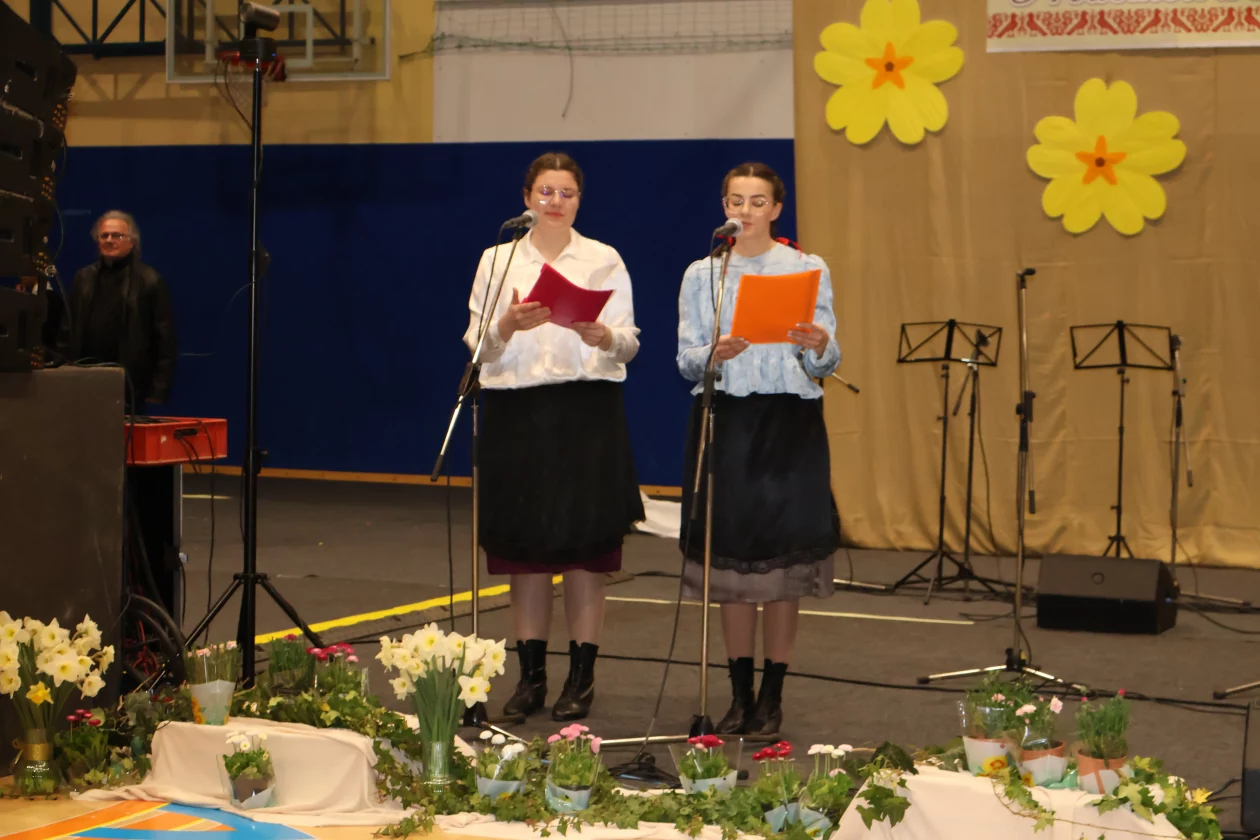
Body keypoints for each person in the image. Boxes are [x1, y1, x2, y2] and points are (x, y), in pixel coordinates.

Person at [463, 152, 644, 722]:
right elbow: (477, 345)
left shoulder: (603, 258)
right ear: (527, 198)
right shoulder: (497, 259)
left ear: (579, 200)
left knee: (587, 556)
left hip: (586, 415)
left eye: (567, 192)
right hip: (518, 415)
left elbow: (629, 342)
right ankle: (531, 679)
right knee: (526, 556)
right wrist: (507, 324)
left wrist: (603, 335)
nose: (556, 202)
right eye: (546, 191)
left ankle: (581, 680)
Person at [676, 162, 842, 736]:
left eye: (757, 202)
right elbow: (685, 360)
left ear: (776, 209)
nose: (744, 211)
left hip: (789, 425)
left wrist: (819, 344)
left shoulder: (807, 268)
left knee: (781, 569)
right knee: (734, 569)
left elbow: (827, 360)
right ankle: (739, 695)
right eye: (735, 201)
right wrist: (713, 353)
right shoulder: (703, 274)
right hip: (727, 421)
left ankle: (772, 696)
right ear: (723, 206)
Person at [69, 210, 177, 413]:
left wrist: (159, 388)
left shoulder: (150, 281)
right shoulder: (83, 278)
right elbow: (66, 330)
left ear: (132, 242)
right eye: (104, 236)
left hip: (130, 386)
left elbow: (165, 340)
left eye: (117, 235)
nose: (109, 240)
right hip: (83, 380)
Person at [13, 271, 66, 364]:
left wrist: (21, 302)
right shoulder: (53, 297)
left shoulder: (44, 300)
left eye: (24, 272)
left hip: (42, 358)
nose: (20, 276)